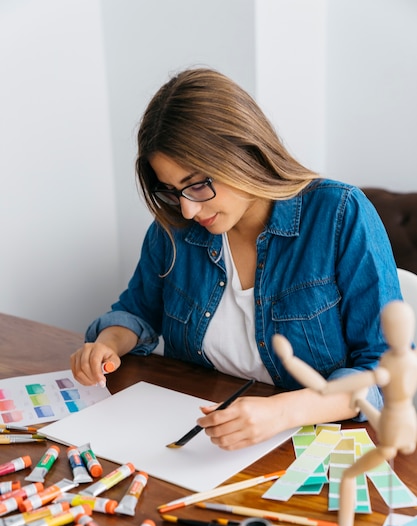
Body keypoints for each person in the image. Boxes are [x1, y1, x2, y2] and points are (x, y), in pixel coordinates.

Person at [70, 67, 402, 451]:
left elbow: (385, 370)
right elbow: (138, 311)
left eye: (197, 184)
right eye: (173, 191)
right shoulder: (174, 227)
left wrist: (282, 412)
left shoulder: (339, 213)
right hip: (197, 436)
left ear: (244, 151)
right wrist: (107, 344)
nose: (188, 210)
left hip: (313, 444)